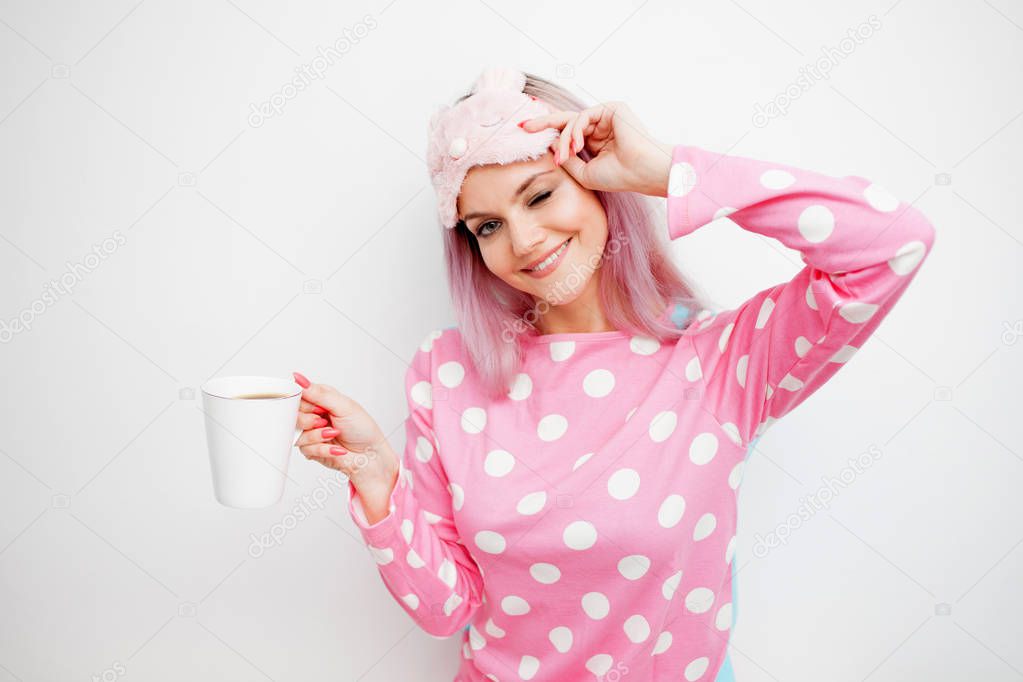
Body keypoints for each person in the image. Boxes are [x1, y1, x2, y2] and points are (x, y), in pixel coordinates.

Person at [292, 66, 935, 681]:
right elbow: (444, 608)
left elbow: (893, 242)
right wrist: (376, 475)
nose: (522, 241)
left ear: (598, 181)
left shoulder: (722, 358)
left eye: (540, 194)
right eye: (487, 226)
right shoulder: (446, 371)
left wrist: (668, 170)